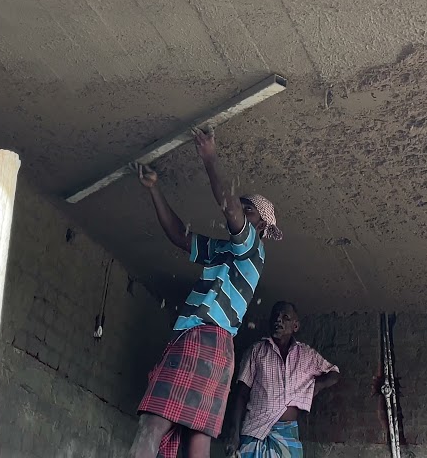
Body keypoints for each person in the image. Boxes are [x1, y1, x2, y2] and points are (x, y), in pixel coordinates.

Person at [130, 128, 283, 458]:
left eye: (248, 210)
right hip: (216, 350)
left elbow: (227, 207)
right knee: (197, 441)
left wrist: (210, 157)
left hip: (203, 338)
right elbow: (178, 235)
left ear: (258, 226)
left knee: (153, 426)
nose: (240, 210)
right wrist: (154, 190)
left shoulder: (251, 249)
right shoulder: (223, 250)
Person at [223, 301, 340, 458]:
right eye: (275, 316)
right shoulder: (256, 351)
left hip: (287, 434)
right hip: (254, 430)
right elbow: (241, 395)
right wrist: (234, 433)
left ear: (295, 326)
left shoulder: (306, 355)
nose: (279, 320)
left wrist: (316, 387)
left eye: (285, 317)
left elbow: (334, 373)